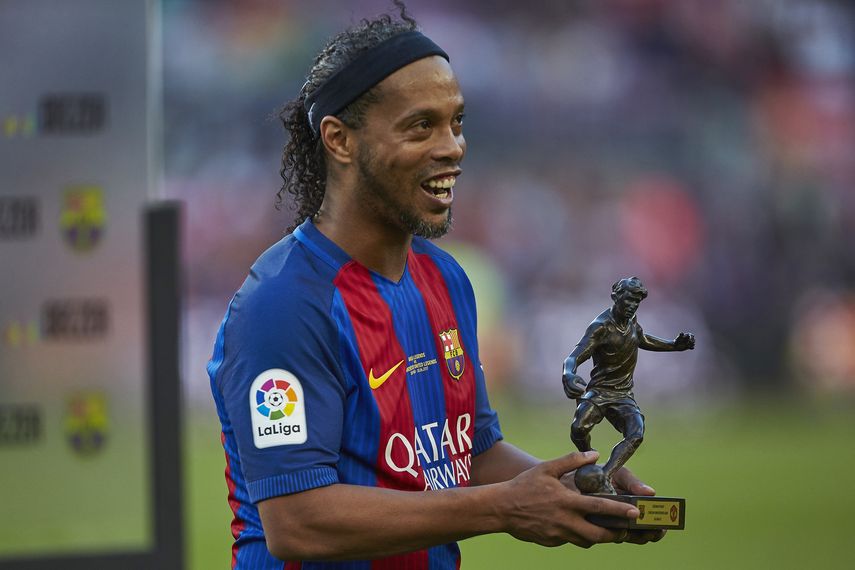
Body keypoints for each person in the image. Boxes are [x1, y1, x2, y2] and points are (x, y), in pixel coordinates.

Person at [209, 5, 664, 568]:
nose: (452, 146)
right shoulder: (284, 304)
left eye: (456, 122)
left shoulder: (445, 278)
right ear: (340, 141)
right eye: (420, 126)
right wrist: (502, 509)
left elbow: (467, 453)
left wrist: (573, 487)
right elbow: (298, 522)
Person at [562, 277, 695, 493]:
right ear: (615, 297)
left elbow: (643, 339)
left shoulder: (632, 322)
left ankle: (604, 476)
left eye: (636, 302)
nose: (632, 306)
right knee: (578, 429)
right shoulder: (601, 327)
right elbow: (575, 355)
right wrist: (568, 373)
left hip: (623, 394)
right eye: (628, 300)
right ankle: (590, 460)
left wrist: (674, 346)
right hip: (599, 391)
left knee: (636, 433)